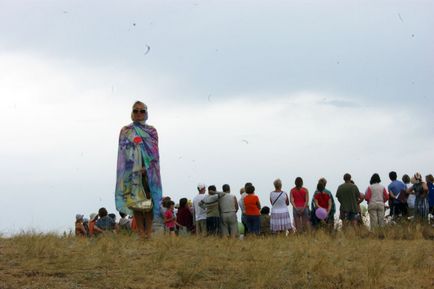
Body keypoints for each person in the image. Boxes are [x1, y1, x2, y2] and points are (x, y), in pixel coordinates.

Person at [115, 101, 163, 238]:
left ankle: (148, 233)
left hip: (147, 172)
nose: (138, 114)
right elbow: (123, 151)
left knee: (149, 203)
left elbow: (154, 152)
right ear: (131, 113)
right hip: (131, 172)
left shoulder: (151, 131)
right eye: (135, 111)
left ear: (146, 113)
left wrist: (145, 167)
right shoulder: (126, 131)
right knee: (135, 203)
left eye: (142, 111)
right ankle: (140, 233)